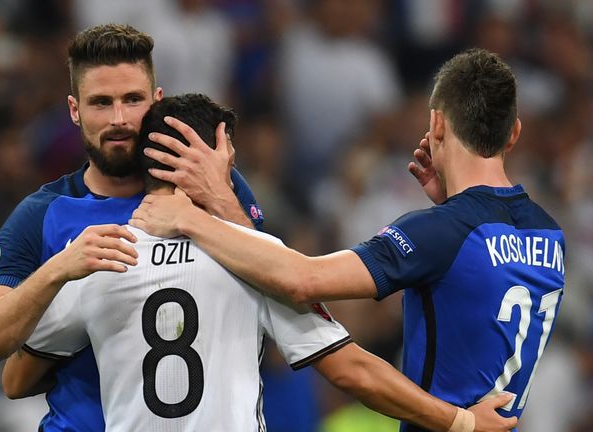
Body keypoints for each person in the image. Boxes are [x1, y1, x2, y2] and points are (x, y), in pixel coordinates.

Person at [6, 93, 517, 432]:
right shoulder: (255, 261)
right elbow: (352, 372)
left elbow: (16, 380)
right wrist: (462, 423)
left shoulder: (100, 255)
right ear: (216, 153)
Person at [132, 48, 566, 432]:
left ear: (436, 124)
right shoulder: (550, 233)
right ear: (514, 133)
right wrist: (453, 201)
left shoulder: (442, 232)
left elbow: (301, 279)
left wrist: (199, 213)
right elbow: (479, 289)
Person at [0, 24, 264, 432]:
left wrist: (221, 203)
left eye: (132, 100)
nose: (119, 119)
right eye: (101, 103)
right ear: (74, 109)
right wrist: (60, 269)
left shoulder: (208, 185)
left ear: (156, 101)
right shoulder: (44, 214)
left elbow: (275, 292)